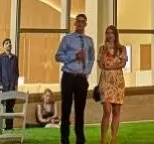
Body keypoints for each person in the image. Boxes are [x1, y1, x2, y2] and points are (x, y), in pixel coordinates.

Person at [53, 13, 94, 144]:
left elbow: (91, 59)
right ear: (75, 23)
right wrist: (73, 57)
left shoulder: (89, 41)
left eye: (83, 22)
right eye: (78, 21)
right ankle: (64, 138)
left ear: (85, 24)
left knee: (80, 110)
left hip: (81, 79)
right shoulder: (67, 39)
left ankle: (80, 139)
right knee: (66, 108)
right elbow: (58, 56)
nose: (80, 24)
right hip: (68, 77)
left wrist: (86, 72)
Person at [96, 25, 127, 144]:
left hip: (118, 82)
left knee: (116, 112)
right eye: (107, 33)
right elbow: (100, 64)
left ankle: (113, 139)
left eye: (112, 33)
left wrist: (111, 66)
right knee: (107, 110)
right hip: (105, 81)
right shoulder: (102, 49)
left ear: (115, 35)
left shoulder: (122, 48)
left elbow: (123, 63)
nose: (109, 35)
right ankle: (103, 139)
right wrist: (108, 66)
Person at [0, 38, 19, 128]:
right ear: (3, 46)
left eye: (10, 43)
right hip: (2, 87)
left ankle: (9, 126)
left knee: (10, 107)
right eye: (7, 43)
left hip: (12, 87)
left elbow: (16, 73)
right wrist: (0, 84)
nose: (9, 44)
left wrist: (15, 85)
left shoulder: (15, 58)